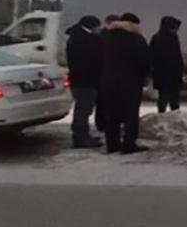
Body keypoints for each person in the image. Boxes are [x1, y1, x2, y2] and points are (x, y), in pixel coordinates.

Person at [99, 12, 150, 154]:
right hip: (131, 82)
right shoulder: (136, 38)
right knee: (130, 114)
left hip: (108, 81)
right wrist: (144, 76)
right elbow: (145, 60)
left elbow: (96, 58)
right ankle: (129, 144)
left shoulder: (105, 37)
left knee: (111, 114)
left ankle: (112, 144)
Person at [64, 15, 103, 149]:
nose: (99, 29)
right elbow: (91, 59)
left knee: (83, 109)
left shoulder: (76, 37)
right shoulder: (84, 40)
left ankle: (82, 135)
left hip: (79, 79)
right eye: (97, 26)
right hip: (85, 80)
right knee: (83, 110)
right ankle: (80, 137)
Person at [150, 15, 184, 113]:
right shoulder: (172, 38)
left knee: (165, 97)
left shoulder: (157, 38)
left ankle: (163, 115)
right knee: (172, 99)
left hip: (163, 74)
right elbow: (177, 56)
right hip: (170, 74)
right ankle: (174, 116)